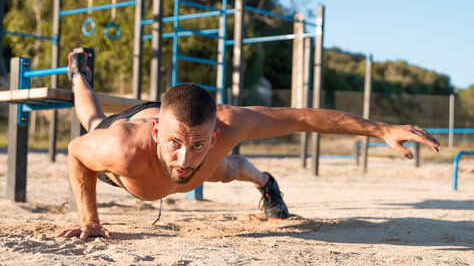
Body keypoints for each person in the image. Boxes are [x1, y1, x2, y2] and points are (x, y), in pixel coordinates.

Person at [58, 51, 440, 241]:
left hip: (200, 139)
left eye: (198, 145)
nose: (184, 159)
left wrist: (381, 129)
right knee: (92, 123)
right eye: (175, 144)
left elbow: (302, 118)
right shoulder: (121, 147)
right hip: (128, 165)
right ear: (158, 132)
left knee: (225, 169)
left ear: (215, 135)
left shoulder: (229, 124)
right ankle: (79, 74)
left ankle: (266, 183)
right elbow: (77, 150)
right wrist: (89, 220)